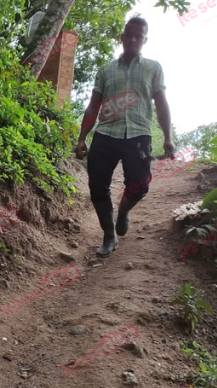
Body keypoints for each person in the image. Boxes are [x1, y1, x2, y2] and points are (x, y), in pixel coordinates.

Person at [74, 16, 174, 257]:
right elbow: (92, 106)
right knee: (97, 187)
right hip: (106, 134)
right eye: (128, 34)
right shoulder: (105, 70)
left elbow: (161, 104)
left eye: (138, 36)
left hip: (138, 135)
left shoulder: (153, 68)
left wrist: (168, 137)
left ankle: (123, 211)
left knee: (140, 186)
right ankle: (109, 235)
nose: (132, 39)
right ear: (122, 37)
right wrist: (82, 138)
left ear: (144, 40)